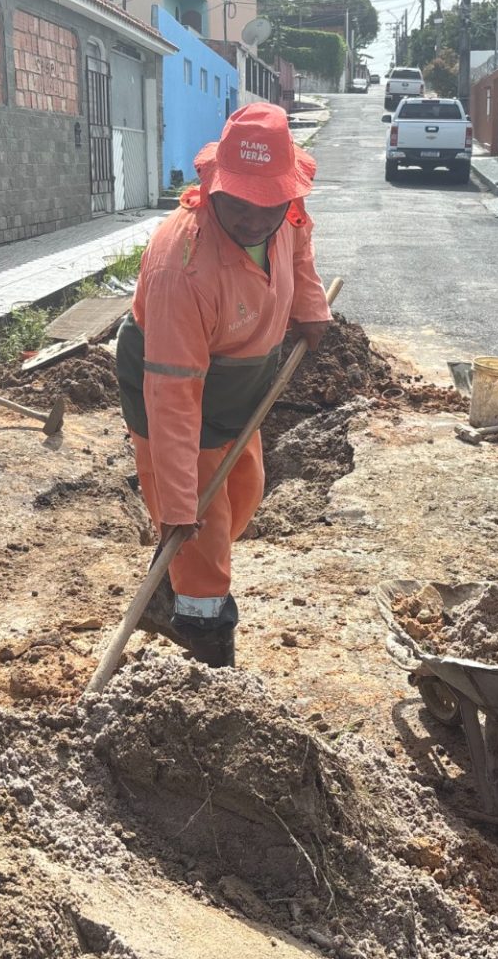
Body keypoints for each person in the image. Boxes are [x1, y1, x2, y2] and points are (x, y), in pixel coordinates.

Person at [116, 103, 332, 668]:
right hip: (174, 385)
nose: (256, 218)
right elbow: (173, 399)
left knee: (243, 492)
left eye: (270, 202)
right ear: (213, 186)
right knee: (199, 530)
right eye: (239, 202)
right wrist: (178, 502)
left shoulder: (284, 207)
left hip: (241, 381)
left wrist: (309, 306)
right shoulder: (181, 267)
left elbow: (300, 244)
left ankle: (174, 586)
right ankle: (201, 638)